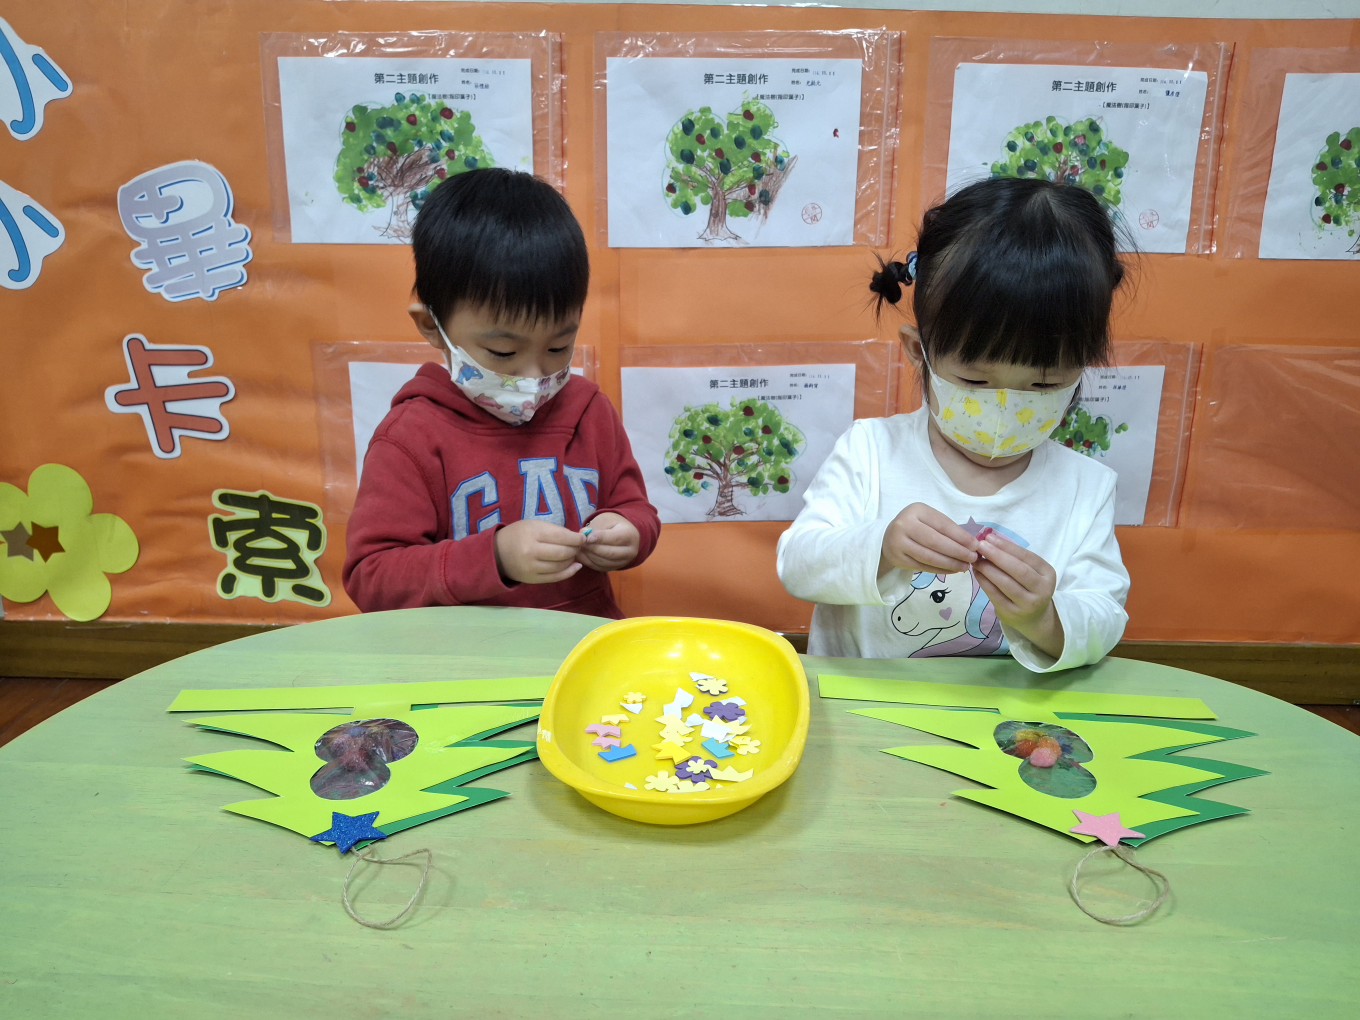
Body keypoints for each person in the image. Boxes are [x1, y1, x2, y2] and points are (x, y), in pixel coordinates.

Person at [777, 177, 1131, 672]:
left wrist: (1043, 618)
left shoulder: (1085, 488)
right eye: (974, 379)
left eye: (1043, 384)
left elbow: (1104, 614)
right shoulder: (870, 451)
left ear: (1081, 369)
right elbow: (798, 564)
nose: (1006, 406)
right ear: (917, 352)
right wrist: (882, 547)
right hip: (864, 704)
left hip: (1004, 712)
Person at [343, 168, 660, 618]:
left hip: (583, 643)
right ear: (432, 326)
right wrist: (494, 556)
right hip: (466, 655)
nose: (533, 375)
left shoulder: (588, 410)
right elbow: (373, 578)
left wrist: (629, 530)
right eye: (503, 352)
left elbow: (635, 508)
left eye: (558, 347)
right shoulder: (411, 436)